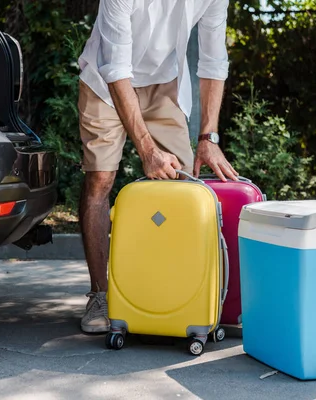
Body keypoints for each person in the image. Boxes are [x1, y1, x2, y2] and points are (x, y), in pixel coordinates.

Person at [77, 0, 239, 333]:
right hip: (106, 83)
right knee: (100, 180)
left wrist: (209, 137)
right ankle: (99, 295)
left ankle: (178, 295)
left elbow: (213, 60)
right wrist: (147, 150)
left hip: (165, 84)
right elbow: (116, 68)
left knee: (185, 188)